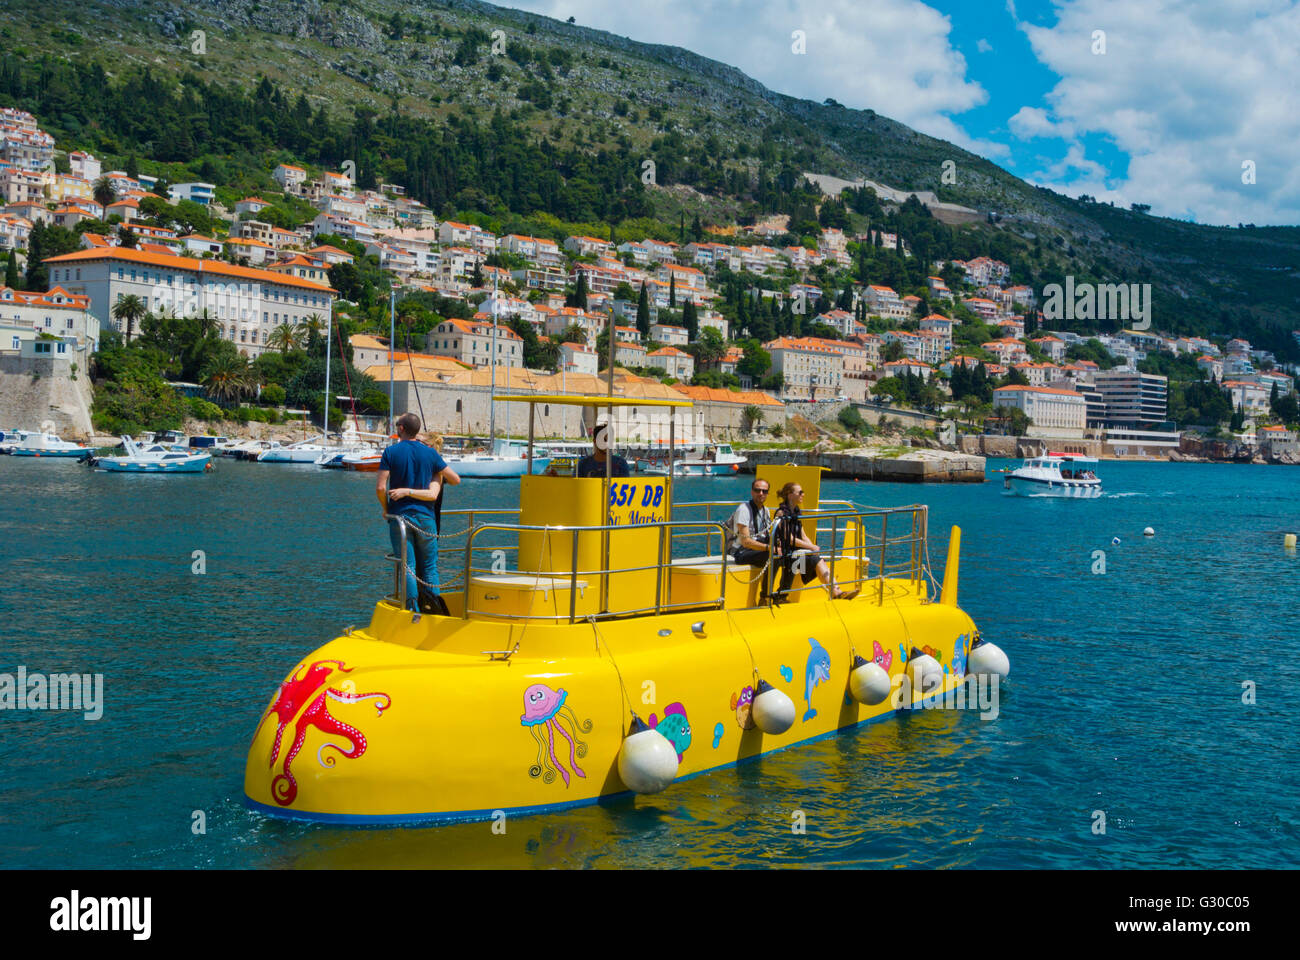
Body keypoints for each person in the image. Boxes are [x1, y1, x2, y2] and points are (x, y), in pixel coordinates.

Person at [377, 413, 460, 615]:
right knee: (430, 567)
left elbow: (380, 487)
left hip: (401, 518)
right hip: (427, 518)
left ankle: (412, 611)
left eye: (397, 425)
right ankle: (435, 610)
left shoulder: (390, 452)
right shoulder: (430, 453)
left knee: (409, 567)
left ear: (402, 429)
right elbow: (455, 479)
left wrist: (386, 509)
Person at [770, 481, 859, 602]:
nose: (803, 495)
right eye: (800, 492)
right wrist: (810, 548)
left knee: (817, 559)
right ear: (790, 495)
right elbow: (788, 538)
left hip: (796, 552)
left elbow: (803, 535)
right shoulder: (781, 513)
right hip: (785, 553)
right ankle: (836, 592)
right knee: (814, 559)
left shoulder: (796, 512)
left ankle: (837, 592)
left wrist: (812, 547)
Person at [727, 478, 774, 599]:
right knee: (772, 556)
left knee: (790, 555)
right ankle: (765, 597)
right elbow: (746, 541)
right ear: (752, 492)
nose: (761, 493)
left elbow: (765, 534)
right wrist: (769, 548)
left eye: (764, 491)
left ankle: (783, 593)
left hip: (756, 548)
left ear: (768, 493)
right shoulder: (744, 509)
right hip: (741, 551)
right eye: (757, 490)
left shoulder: (765, 511)